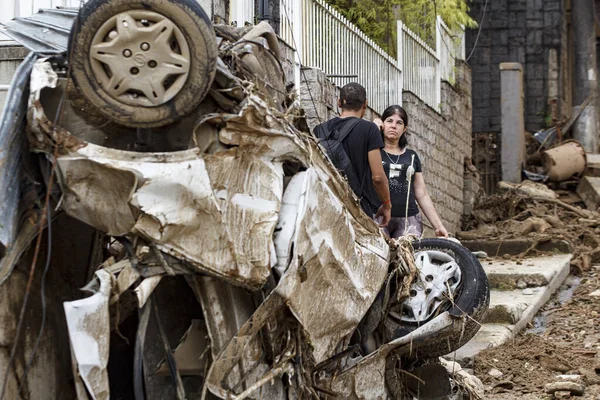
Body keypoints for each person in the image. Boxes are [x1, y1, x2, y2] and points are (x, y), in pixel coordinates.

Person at [313, 83, 392, 226]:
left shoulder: (319, 130)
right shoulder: (370, 130)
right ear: (365, 104)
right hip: (357, 211)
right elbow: (378, 177)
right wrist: (386, 205)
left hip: (325, 205)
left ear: (339, 102)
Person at [373, 105, 448, 238]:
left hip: (409, 219)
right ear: (382, 124)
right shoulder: (373, 152)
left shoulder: (412, 156)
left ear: (404, 129)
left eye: (399, 123)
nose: (394, 126)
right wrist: (372, 128)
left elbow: (422, 193)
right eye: (389, 121)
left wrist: (438, 226)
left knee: (407, 257)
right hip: (378, 218)